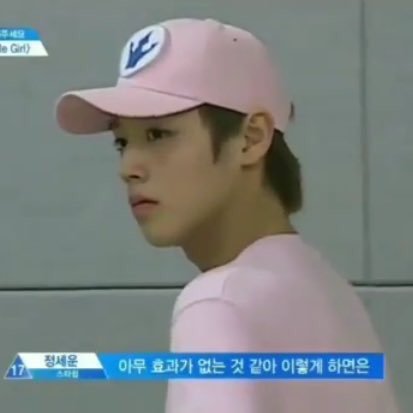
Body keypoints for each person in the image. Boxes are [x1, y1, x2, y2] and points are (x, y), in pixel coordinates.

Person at [55, 17, 401, 413]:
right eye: (121, 142)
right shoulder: (330, 292)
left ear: (252, 138)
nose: (128, 167)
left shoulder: (219, 303)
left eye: (157, 134)